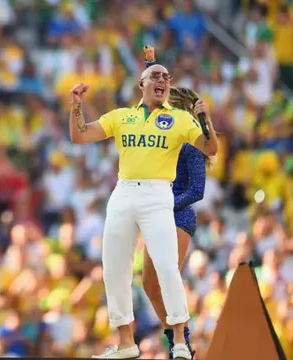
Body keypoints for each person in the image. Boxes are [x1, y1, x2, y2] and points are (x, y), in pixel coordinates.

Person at [68, 49, 219, 358]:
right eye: (156, 77)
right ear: (141, 84)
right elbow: (80, 136)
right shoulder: (123, 116)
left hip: (161, 198)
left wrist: (206, 120)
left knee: (166, 269)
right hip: (124, 192)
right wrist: (76, 107)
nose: (162, 81)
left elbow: (210, 149)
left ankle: (180, 340)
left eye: (167, 78)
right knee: (115, 268)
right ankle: (126, 342)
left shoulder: (179, 121)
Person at [141, 45, 208, 359]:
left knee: (167, 278)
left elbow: (197, 190)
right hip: (157, 215)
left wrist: (166, 203)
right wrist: (150, 64)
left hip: (178, 216)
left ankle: (184, 342)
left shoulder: (191, 142)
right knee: (148, 284)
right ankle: (174, 336)